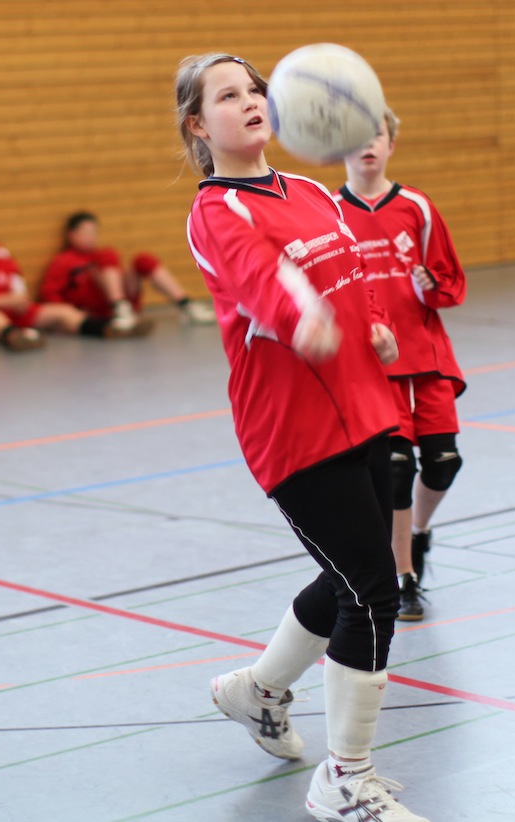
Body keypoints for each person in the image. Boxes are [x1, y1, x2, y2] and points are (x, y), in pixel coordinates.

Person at [175, 53, 429, 822]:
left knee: (348, 575)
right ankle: (343, 778)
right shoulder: (218, 211)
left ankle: (254, 693)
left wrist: (375, 328)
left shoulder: (312, 190)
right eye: (228, 95)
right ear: (198, 125)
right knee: (372, 589)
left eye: (254, 88)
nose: (250, 101)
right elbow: (263, 280)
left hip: (365, 407)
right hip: (294, 434)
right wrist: (301, 320)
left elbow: (352, 277)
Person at [335, 108, 467, 621]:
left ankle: (418, 532)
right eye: (357, 139)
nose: (368, 145)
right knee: (393, 472)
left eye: (378, 136)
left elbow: (449, 278)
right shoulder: (330, 212)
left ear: (391, 145)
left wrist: (431, 286)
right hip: (374, 365)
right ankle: (404, 576)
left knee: (443, 463)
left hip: (426, 357)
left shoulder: (417, 207)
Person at [0, 198, 150, 350]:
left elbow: (19, 288)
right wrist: (7, 301)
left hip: (15, 309)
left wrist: (19, 300)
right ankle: (14, 336)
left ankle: (111, 328)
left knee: (63, 313)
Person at [38, 211, 214, 330]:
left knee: (143, 260)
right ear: (72, 235)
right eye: (85, 233)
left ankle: (186, 305)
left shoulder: (100, 255)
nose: (90, 238)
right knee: (108, 255)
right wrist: (73, 314)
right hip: (92, 311)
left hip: (119, 300)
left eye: (93, 233)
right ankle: (119, 307)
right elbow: (49, 293)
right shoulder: (63, 261)